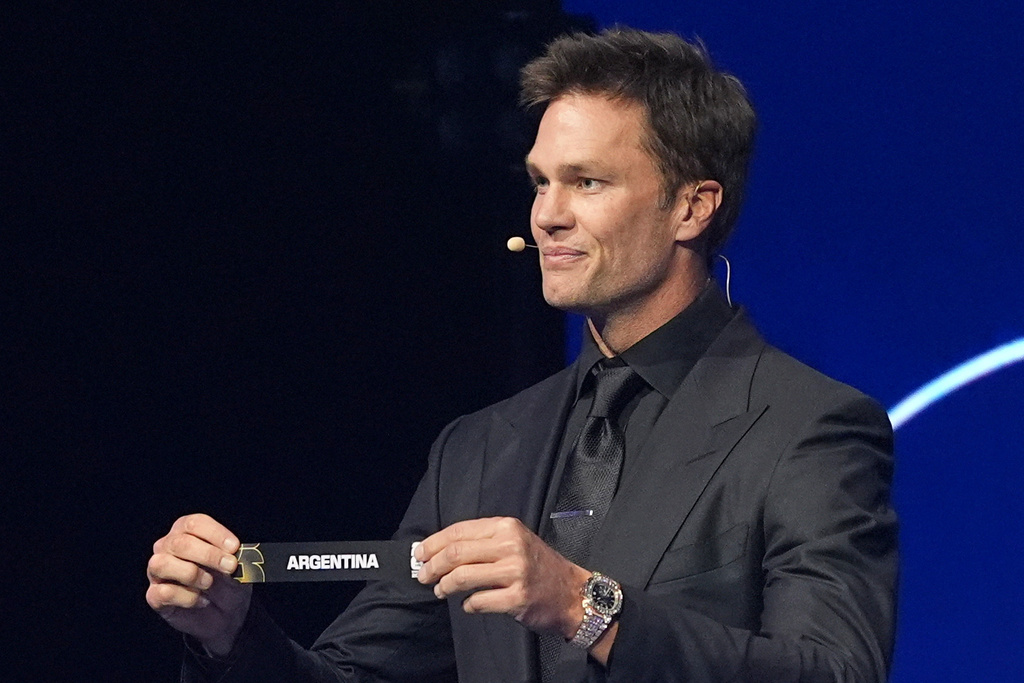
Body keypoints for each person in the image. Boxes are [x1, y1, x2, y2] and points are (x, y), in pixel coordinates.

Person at [146, 28, 897, 682]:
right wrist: (230, 634)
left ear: (693, 207)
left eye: (587, 182)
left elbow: (834, 669)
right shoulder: (478, 450)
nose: (547, 214)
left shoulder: (807, 427)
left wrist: (584, 605)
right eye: (540, 181)